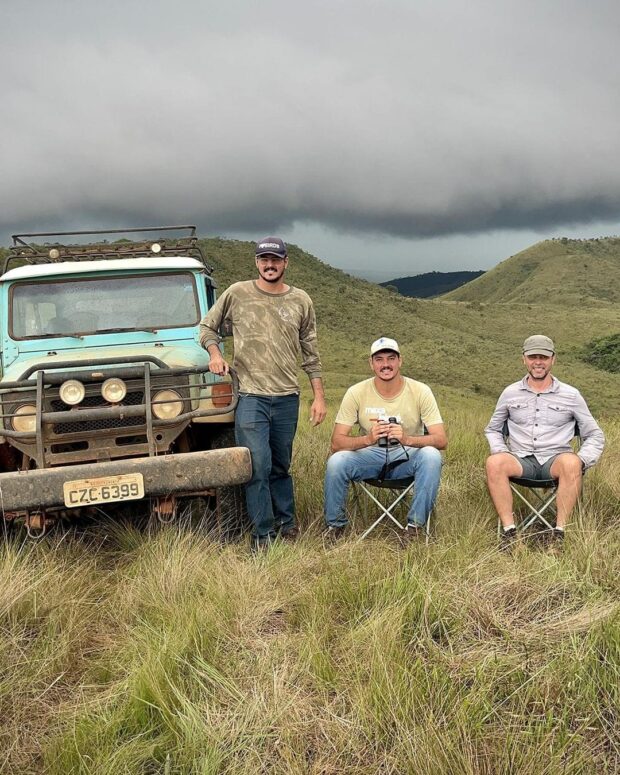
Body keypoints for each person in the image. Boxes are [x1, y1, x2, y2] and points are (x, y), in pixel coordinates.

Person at [200, 236, 326, 550]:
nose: (269, 265)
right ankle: (262, 536)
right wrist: (215, 355)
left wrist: (319, 397)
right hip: (251, 397)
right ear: (257, 262)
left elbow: (311, 353)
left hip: (287, 397)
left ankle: (287, 525)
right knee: (257, 466)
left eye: (276, 259)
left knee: (281, 466)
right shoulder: (237, 293)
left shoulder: (301, 300)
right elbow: (206, 328)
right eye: (264, 259)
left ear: (286, 262)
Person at [485, 334, 605, 550]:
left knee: (571, 463)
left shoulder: (571, 395)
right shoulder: (510, 393)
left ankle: (559, 534)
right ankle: (509, 533)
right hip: (520, 460)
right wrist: (501, 451)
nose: (538, 362)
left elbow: (595, 435)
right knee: (494, 463)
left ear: (553, 360)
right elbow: (493, 429)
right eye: (533, 357)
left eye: (543, 357)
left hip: (556, 462)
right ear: (524, 359)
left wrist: (582, 462)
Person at [323, 337, 447, 542]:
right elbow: (337, 443)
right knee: (336, 462)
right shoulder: (356, 392)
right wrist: (368, 438)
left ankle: (414, 528)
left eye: (391, 358)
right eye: (379, 359)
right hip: (369, 455)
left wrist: (406, 438)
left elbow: (441, 440)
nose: (386, 364)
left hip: (407, 456)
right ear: (371, 364)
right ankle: (334, 527)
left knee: (432, 456)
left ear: (400, 361)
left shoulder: (420, 391)